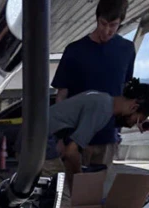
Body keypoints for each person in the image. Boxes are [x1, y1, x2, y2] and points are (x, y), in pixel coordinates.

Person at [31, 83, 149, 208]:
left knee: (51, 206)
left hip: (36, 141)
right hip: (42, 146)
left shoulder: (103, 99)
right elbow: (71, 152)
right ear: (133, 106)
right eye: (139, 119)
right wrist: (78, 180)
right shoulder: (102, 109)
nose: (134, 126)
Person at [52, 0, 136, 169]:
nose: (106, 30)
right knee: (72, 192)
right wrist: (60, 137)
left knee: (99, 193)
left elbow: (125, 93)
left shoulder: (127, 49)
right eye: (103, 23)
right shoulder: (74, 50)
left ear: (121, 22)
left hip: (108, 139)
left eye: (113, 25)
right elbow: (61, 96)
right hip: (75, 138)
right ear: (97, 19)